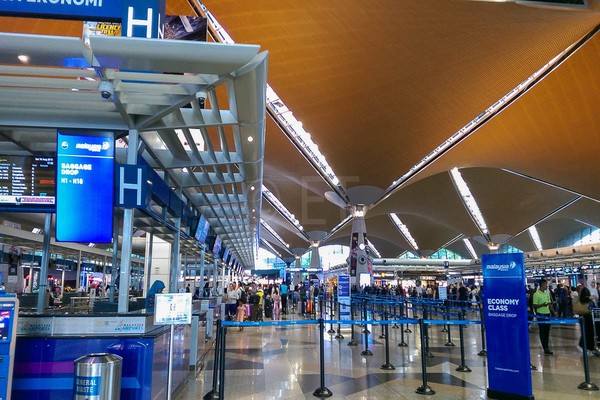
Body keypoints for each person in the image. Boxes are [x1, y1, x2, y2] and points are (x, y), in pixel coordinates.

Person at [533, 279, 554, 355]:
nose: (546, 286)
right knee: (542, 331)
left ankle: (547, 346)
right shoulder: (536, 294)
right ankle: (545, 348)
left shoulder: (547, 293)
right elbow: (534, 305)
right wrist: (542, 305)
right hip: (540, 314)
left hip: (547, 314)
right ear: (541, 285)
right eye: (545, 284)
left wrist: (553, 312)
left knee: (547, 331)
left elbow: (549, 304)